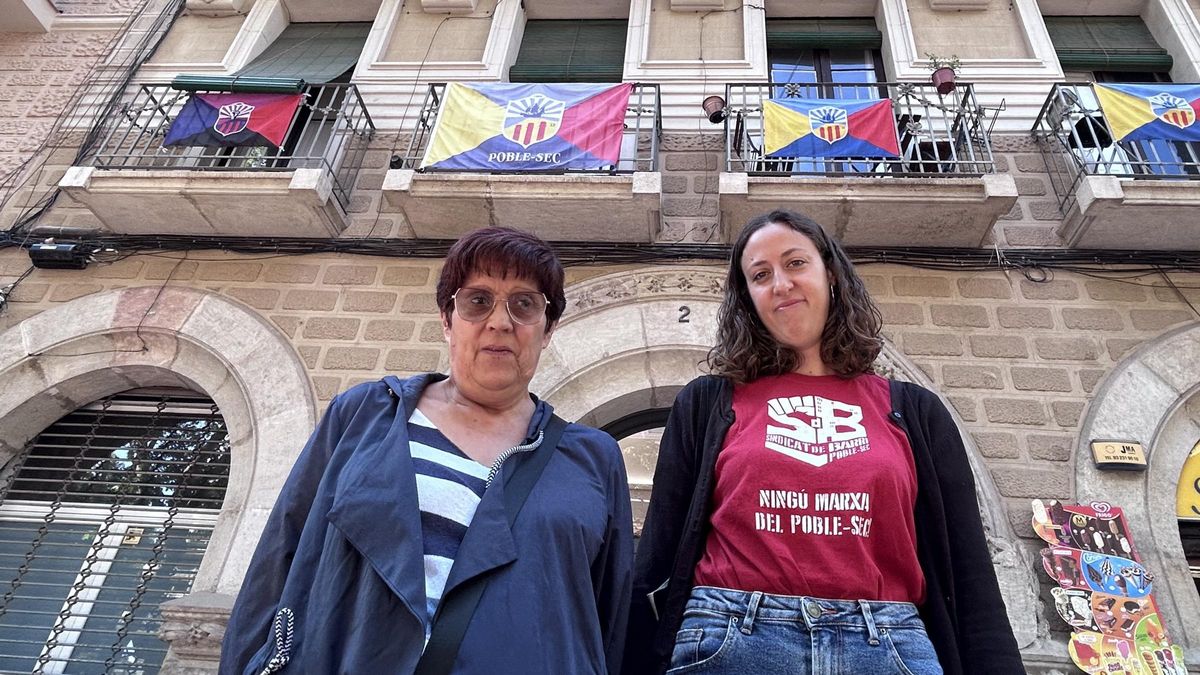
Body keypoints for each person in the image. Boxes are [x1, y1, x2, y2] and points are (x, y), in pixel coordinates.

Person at [624, 210, 1023, 675]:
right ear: (748, 298)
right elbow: (656, 554)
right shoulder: (707, 404)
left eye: (795, 263)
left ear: (830, 274)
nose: (780, 283)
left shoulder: (917, 412)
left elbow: (971, 572)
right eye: (760, 275)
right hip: (731, 639)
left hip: (887, 645)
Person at [220, 226, 633, 675]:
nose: (500, 321)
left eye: (524, 304)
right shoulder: (366, 414)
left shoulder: (594, 457)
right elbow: (279, 557)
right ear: (446, 318)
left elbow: (609, 618)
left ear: (547, 329)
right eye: (478, 301)